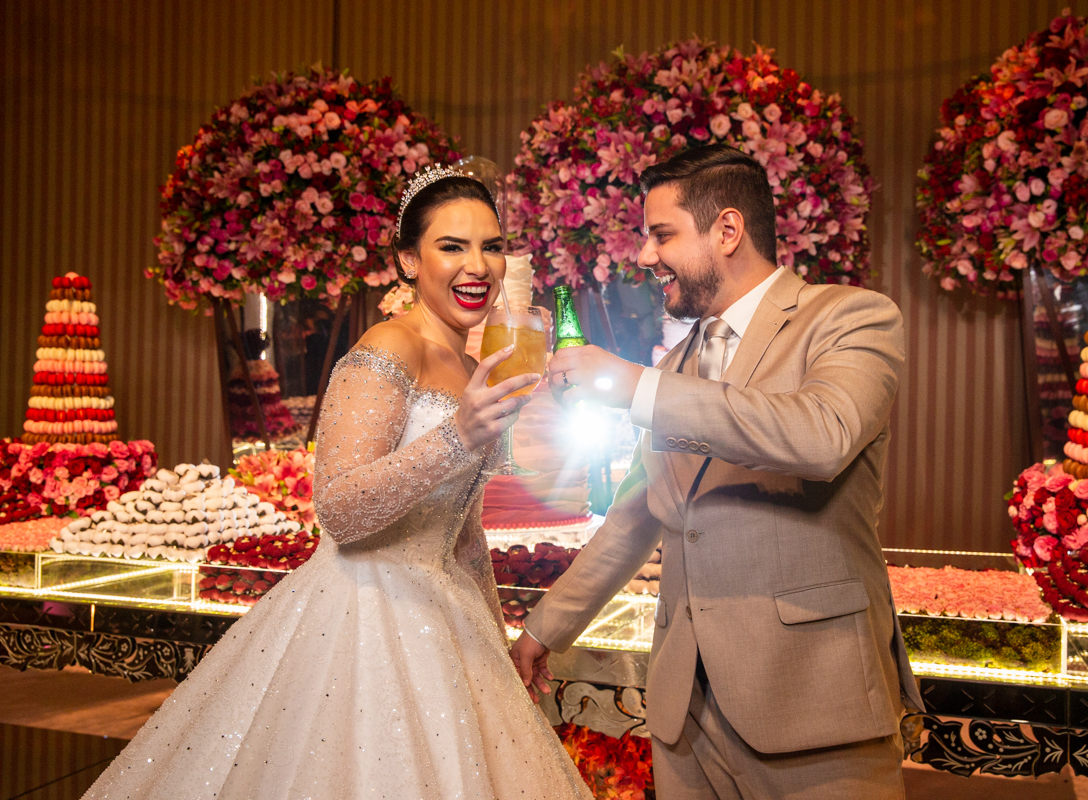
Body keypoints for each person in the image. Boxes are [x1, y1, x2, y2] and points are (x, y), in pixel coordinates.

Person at [83, 167, 590, 799]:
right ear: (408, 260)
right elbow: (340, 510)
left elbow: (463, 534)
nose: (477, 266)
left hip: (448, 618)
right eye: (452, 246)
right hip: (363, 615)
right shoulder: (388, 347)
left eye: (491, 246)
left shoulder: (471, 367)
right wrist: (457, 436)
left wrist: (497, 639)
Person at [511, 144, 923, 800]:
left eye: (662, 235)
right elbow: (636, 515)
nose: (645, 255)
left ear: (727, 230)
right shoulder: (673, 369)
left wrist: (634, 385)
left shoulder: (849, 317)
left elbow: (824, 434)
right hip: (686, 717)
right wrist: (544, 627)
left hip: (815, 703)